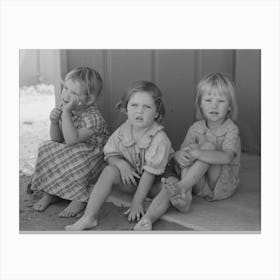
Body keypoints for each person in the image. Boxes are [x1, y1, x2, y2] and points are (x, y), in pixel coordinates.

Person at [134, 72, 241, 230]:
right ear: (200, 104)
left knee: (207, 147)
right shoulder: (195, 128)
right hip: (197, 182)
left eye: (221, 101)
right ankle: (149, 219)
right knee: (172, 181)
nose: (214, 105)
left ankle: (183, 188)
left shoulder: (231, 129)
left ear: (230, 106)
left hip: (218, 184)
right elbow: (184, 155)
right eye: (208, 100)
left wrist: (198, 153)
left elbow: (227, 157)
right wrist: (179, 154)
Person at [65, 81, 173, 231]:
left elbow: (150, 173)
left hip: (155, 183)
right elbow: (109, 153)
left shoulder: (160, 139)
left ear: (156, 113)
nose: (139, 111)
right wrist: (121, 164)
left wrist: (137, 202)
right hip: (132, 180)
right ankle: (89, 217)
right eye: (134, 105)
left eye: (147, 107)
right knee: (109, 170)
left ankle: (148, 219)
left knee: (170, 188)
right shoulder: (123, 130)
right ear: (125, 108)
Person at [31, 67, 110, 217]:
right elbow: (57, 139)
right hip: (72, 149)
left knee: (77, 156)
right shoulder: (67, 109)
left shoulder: (93, 118)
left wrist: (66, 114)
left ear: (88, 99)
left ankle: (79, 197)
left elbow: (72, 140)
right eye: (66, 88)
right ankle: (51, 191)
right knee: (46, 147)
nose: (66, 94)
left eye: (74, 93)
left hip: (92, 156)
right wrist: (54, 122)